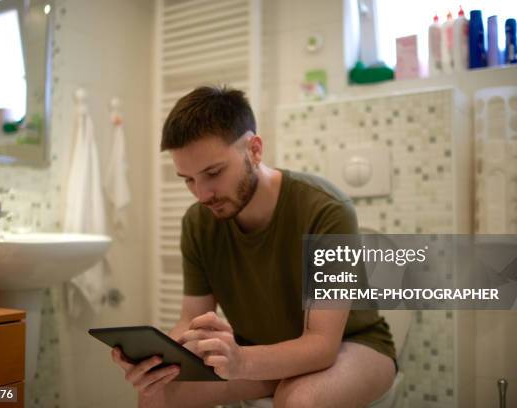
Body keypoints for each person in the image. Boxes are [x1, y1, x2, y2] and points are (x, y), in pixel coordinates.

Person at [111, 85, 396, 408]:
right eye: (188, 179)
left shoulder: (325, 210)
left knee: (300, 401)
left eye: (213, 172)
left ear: (254, 150)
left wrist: (241, 362)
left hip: (352, 347)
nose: (202, 194)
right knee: (156, 395)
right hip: (260, 351)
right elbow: (192, 317)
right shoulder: (198, 223)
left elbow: (321, 345)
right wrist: (154, 362)